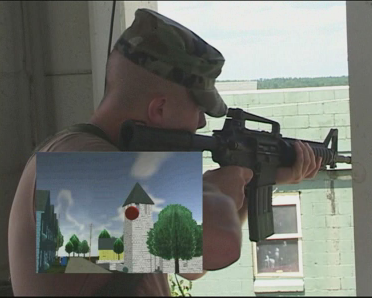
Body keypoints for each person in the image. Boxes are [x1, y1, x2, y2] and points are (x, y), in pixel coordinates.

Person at [8, 8, 321, 296]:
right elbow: (222, 243)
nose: (199, 122)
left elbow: (194, 263)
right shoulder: (73, 164)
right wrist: (215, 187)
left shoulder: (117, 170)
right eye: (197, 109)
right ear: (159, 108)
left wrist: (252, 181)